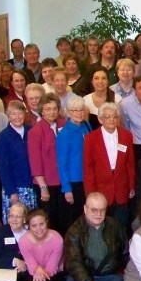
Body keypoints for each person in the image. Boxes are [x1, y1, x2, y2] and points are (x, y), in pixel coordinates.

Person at [82, 102, 136, 225]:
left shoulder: (127, 135)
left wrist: (132, 185)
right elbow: (88, 168)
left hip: (122, 187)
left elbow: (130, 163)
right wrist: (90, 193)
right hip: (100, 189)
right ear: (100, 119)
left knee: (121, 224)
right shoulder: (91, 138)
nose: (111, 119)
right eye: (107, 117)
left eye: (114, 116)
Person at [28, 93, 67, 231]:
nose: (52, 112)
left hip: (64, 181)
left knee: (64, 218)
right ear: (42, 111)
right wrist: (43, 187)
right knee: (50, 220)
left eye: (54, 108)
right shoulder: (36, 131)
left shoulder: (64, 125)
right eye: (48, 109)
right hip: (47, 184)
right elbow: (35, 161)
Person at [56, 96, 91, 226]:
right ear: (68, 112)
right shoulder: (64, 134)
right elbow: (62, 164)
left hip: (87, 178)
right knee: (75, 219)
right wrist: (67, 189)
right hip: (74, 182)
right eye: (75, 110)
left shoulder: (86, 126)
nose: (79, 113)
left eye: (81, 110)